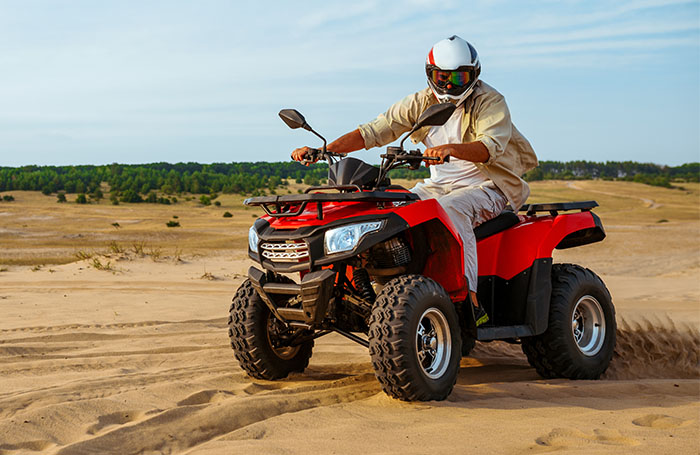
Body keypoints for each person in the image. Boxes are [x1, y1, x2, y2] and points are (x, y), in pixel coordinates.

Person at [292, 35, 538, 326]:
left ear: (474, 75)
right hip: (437, 187)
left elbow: (489, 147)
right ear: (430, 74)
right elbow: (373, 131)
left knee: (451, 210)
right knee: (390, 211)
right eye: (442, 77)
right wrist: (325, 150)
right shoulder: (420, 102)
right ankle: (383, 287)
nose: (448, 85)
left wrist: (451, 149)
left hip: (489, 187)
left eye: (459, 77)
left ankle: (468, 299)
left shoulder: (490, 101)